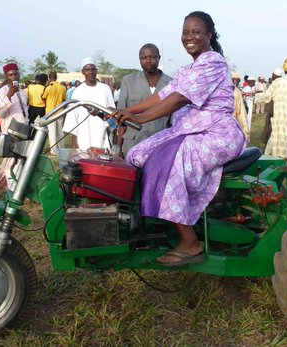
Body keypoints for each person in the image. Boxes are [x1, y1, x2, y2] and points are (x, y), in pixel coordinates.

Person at [111, 11, 245, 266]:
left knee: (168, 163)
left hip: (216, 133)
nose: (190, 37)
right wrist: (130, 110)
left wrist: (141, 119)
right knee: (136, 154)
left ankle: (190, 242)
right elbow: (164, 95)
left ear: (209, 35)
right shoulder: (188, 69)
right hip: (189, 130)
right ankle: (148, 222)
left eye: (196, 32)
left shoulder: (212, 62)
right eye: (186, 32)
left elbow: (179, 98)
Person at [117, 43, 173, 156]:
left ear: (159, 58)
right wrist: (118, 147)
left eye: (152, 57)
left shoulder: (171, 84)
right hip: (133, 145)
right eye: (144, 57)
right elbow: (121, 118)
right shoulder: (128, 81)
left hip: (159, 145)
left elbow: (173, 122)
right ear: (139, 59)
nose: (148, 60)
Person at [0, 63, 28, 199]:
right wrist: (9, 96)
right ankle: (13, 193)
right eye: (11, 74)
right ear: (6, 76)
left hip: (23, 131)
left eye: (16, 73)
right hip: (10, 133)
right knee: (12, 165)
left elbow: (24, 111)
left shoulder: (22, 91)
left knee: (9, 163)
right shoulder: (2, 92)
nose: (14, 76)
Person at [63, 58, 115, 151]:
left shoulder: (105, 89)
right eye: (88, 70)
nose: (91, 72)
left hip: (102, 134)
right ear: (83, 72)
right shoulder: (78, 91)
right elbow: (73, 119)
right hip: (84, 135)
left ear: (96, 71)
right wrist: (74, 145)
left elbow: (112, 114)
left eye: (93, 69)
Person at [257, 58, 287, 161]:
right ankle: (286, 164)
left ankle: (273, 162)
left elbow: (267, 97)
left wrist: (256, 97)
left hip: (278, 120)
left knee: (276, 141)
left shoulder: (277, 82)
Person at [42, 71, 67, 154]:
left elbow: (43, 97)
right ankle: (62, 148)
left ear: (49, 78)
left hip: (50, 112)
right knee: (60, 131)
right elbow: (64, 99)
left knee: (52, 132)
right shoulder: (62, 87)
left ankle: (53, 151)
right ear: (56, 77)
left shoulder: (48, 87)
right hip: (60, 111)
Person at [259, 67, 283, 144]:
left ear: (274, 75)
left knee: (270, 128)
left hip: (273, 110)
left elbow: (267, 97)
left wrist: (258, 97)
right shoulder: (283, 84)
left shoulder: (275, 83)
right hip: (280, 111)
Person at [231, 72, 250, 140]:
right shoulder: (236, 91)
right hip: (231, 126)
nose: (239, 83)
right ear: (235, 80)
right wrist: (246, 133)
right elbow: (241, 114)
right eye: (238, 81)